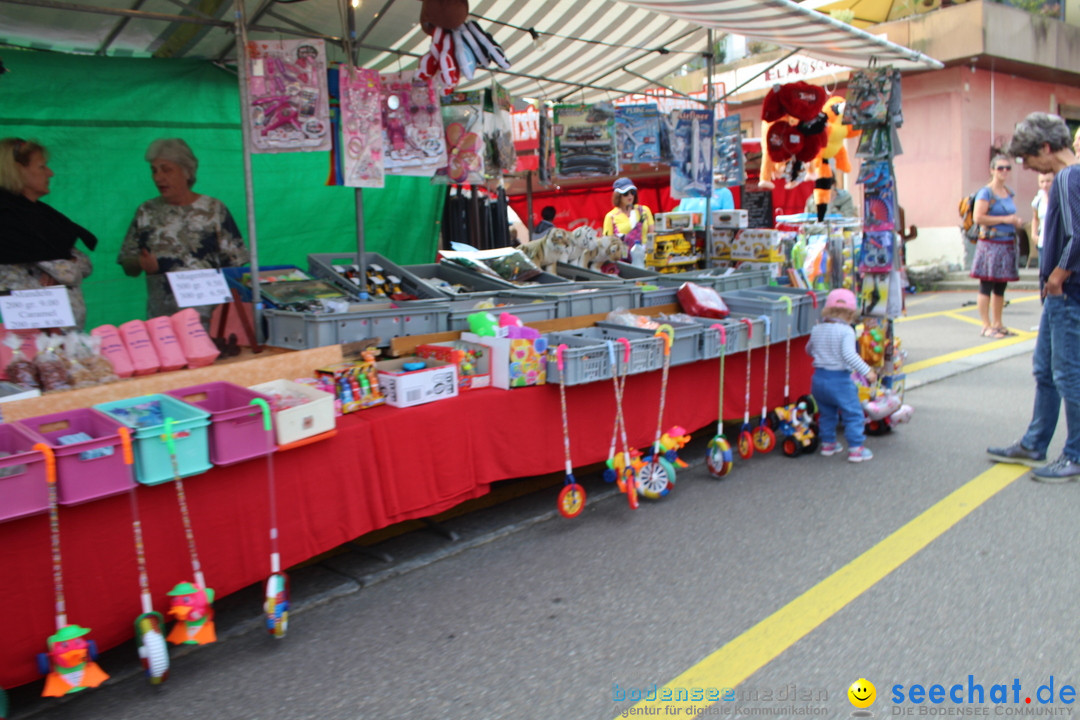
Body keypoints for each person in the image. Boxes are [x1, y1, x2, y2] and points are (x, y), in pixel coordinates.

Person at [987, 112, 1080, 481]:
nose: (1027, 167)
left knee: (1067, 374)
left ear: (1046, 147)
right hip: (1060, 295)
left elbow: (1077, 235)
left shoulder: (1069, 177)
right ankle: (1035, 441)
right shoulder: (1067, 178)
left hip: (1067, 293)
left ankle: (1074, 453)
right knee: (1046, 370)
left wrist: (1058, 276)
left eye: (1029, 158)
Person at [117, 138, 249, 323]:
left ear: (187, 172)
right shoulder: (146, 211)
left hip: (209, 319)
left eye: (166, 169)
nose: (158, 177)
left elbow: (236, 263)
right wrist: (140, 263)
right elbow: (127, 264)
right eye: (154, 170)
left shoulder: (214, 209)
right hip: (162, 321)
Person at [0, 137, 96, 330]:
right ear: (19, 170)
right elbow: (70, 274)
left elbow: (85, 264)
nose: (50, 173)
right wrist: (68, 265)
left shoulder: (44, 216)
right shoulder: (8, 219)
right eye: (42, 167)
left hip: (65, 336)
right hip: (34, 337)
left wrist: (64, 266)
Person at [805, 288, 876, 463]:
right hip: (839, 380)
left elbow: (808, 350)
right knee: (853, 414)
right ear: (851, 313)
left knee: (827, 413)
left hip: (818, 379)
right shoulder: (846, 331)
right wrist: (868, 371)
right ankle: (856, 449)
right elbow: (849, 356)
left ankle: (828, 444)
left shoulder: (817, 329)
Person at [970, 154, 1023, 338]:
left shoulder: (1009, 192)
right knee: (986, 284)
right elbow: (978, 217)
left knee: (1001, 286)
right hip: (990, 244)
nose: (1004, 171)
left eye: (1007, 167)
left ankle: (998, 323)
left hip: (1007, 243)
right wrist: (1004, 219)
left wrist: (1015, 222)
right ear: (992, 170)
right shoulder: (986, 192)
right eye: (1000, 168)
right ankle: (986, 325)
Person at [602, 177, 654, 258]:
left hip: (645, 255)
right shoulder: (611, 216)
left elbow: (652, 235)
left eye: (632, 192)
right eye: (625, 193)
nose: (630, 196)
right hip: (623, 257)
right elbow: (608, 242)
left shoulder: (644, 210)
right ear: (618, 196)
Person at [1029, 170, 1054, 267]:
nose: (1045, 185)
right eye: (1042, 182)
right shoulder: (1038, 200)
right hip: (1043, 242)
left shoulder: (1060, 198)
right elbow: (1035, 218)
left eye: (1048, 181)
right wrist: (1034, 234)